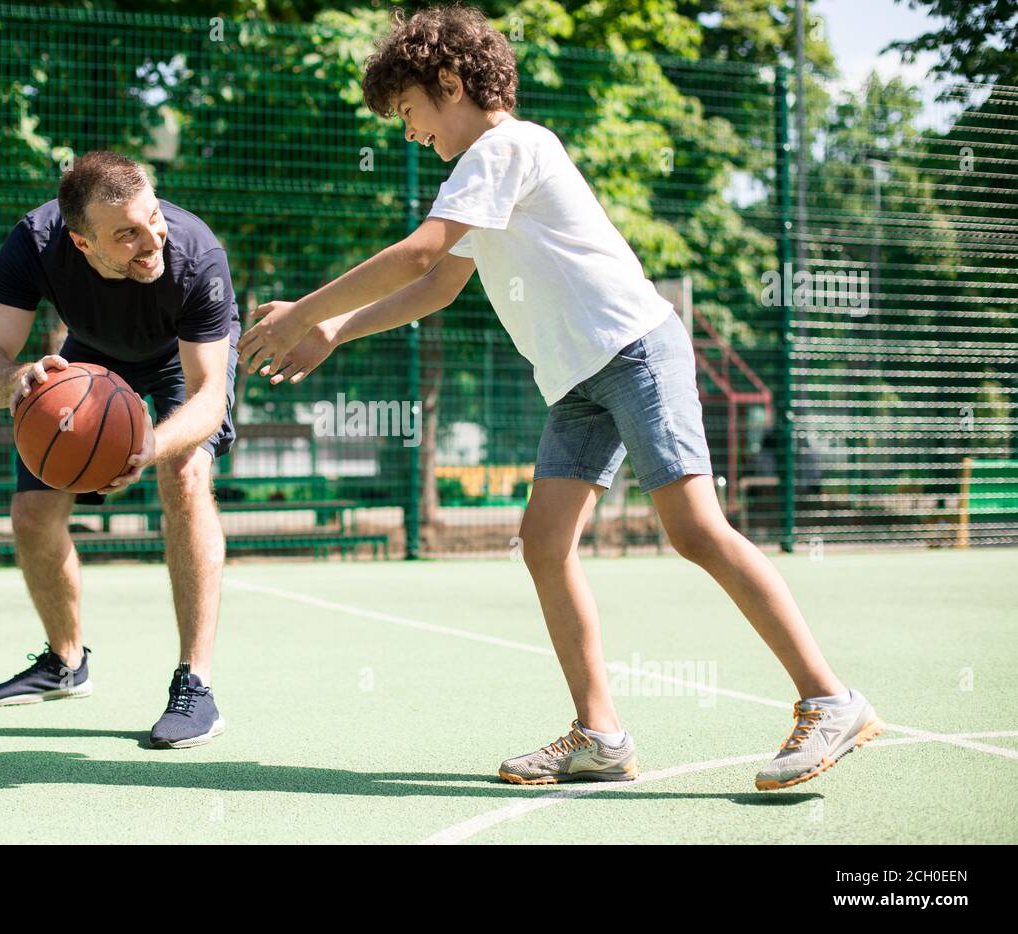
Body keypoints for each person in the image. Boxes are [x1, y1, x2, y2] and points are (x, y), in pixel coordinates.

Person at [237, 5, 883, 789]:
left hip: (636, 348)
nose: (408, 131)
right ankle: (600, 736)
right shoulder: (478, 171)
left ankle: (829, 697)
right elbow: (441, 284)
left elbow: (418, 254)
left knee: (694, 529)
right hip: (579, 379)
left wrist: (306, 311)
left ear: (450, 83)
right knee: (544, 543)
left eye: (409, 111)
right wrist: (334, 332)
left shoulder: (508, 146)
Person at [0, 151, 237, 748]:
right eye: (127, 235)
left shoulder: (196, 256)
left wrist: (150, 446)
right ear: (82, 244)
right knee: (32, 511)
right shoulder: (34, 245)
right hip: (89, 358)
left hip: (178, 359)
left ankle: (196, 687)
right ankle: (65, 664)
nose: (151, 240)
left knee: (185, 476)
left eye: (152, 219)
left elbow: (209, 396)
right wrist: (16, 381)